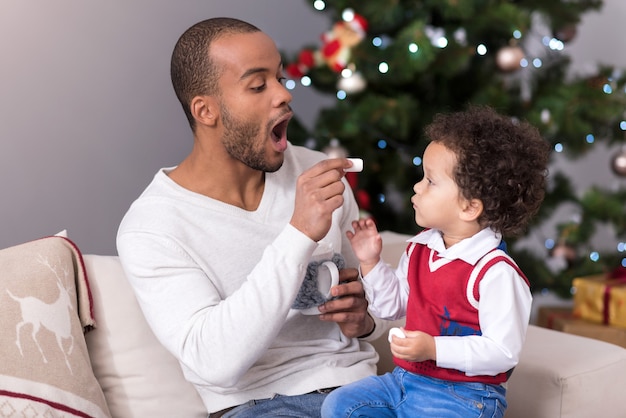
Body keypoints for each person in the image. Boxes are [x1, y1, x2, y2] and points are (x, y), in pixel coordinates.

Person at [116, 17, 385, 418]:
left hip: (357, 390)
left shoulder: (320, 177)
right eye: (258, 85)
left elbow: (375, 301)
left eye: (279, 77)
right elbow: (215, 362)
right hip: (256, 405)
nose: (282, 95)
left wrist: (364, 320)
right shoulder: (152, 227)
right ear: (205, 110)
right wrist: (298, 233)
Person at [321, 106, 550, 418]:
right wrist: (371, 263)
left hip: (466, 396)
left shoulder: (495, 273)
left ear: (469, 207)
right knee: (340, 406)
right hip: (405, 380)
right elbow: (392, 306)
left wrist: (433, 349)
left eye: (430, 181)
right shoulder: (420, 248)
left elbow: (502, 352)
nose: (417, 187)